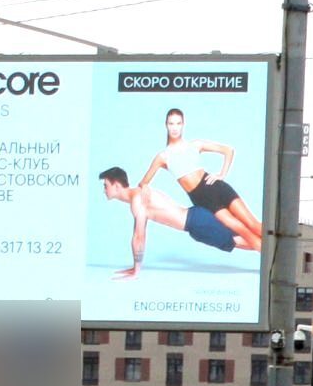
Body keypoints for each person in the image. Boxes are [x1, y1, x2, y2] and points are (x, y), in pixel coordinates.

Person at [132, 107, 263, 248]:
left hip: (217, 187)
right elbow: (143, 182)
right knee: (239, 229)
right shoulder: (163, 157)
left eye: (178, 123)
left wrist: (221, 174)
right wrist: (145, 186)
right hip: (203, 199)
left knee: (252, 224)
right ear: (166, 125)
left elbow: (228, 150)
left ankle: (284, 246)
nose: (175, 127)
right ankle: (272, 258)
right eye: (171, 123)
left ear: (183, 124)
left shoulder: (195, 144)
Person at [101, 165, 242, 278]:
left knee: (243, 241)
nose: (104, 190)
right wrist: (136, 266)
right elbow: (138, 235)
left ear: (117, 186)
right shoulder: (138, 195)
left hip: (197, 223)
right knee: (246, 236)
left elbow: (139, 237)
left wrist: (136, 269)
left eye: (106, 185)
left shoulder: (137, 200)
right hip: (196, 219)